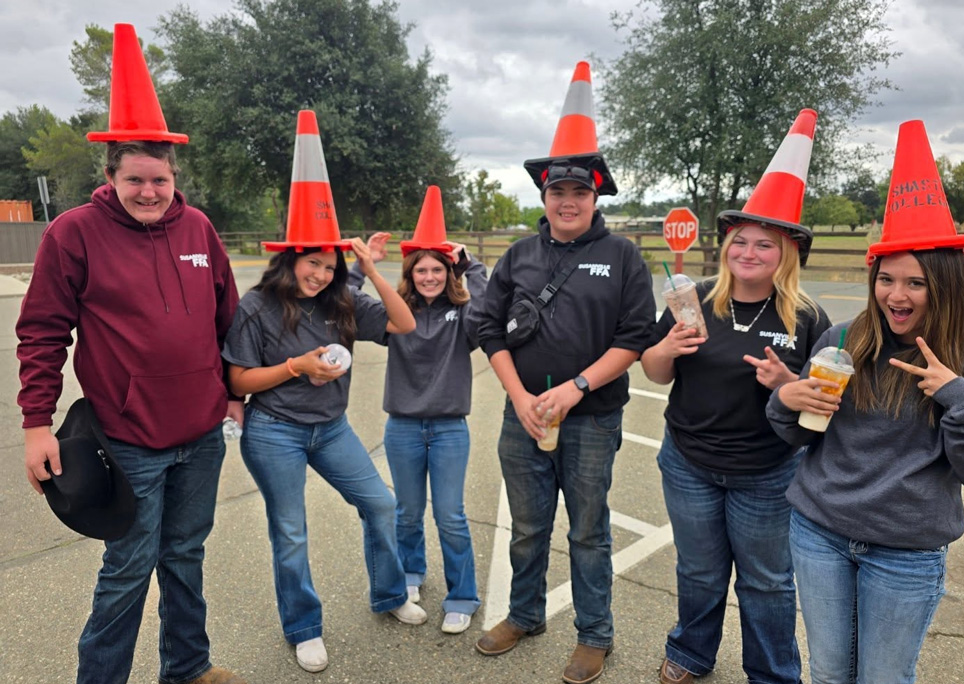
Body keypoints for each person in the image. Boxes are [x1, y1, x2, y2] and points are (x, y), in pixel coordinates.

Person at [16, 24, 245, 684]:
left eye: (160, 180)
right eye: (135, 179)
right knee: (127, 571)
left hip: (202, 436)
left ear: (175, 177)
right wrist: (36, 426)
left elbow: (227, 319)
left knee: (186, 556)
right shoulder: (73, 234)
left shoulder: (198, 228)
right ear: (110, 174)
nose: (149, 192)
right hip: (129, 439)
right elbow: (42, 332)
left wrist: (233, 392)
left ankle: (189, 668)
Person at [766, 120, 964, 684]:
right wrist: (786, 400)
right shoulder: (843, 341)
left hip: (906, 552)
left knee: (884, 678)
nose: (896, 295)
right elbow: (800, 433)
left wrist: (957, 396)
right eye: (886, 279)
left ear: (945, 285)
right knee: (828, 673)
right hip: (820, 533)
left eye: (915, 282)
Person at [222, 109, 422, 675]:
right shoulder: (257, 307)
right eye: (313, 263)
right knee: (290, 531)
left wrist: (371, 270)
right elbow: (238, 381)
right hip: (275, 432)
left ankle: (390, 593)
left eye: (330, 265)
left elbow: (405, 324)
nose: (321, 274)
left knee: (380, 504)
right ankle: (304, 628)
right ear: (290, 260)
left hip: (331, 429)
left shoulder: (343, 299)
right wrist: (296, 367)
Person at [475, 61, 656, 684]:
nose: (568, 201)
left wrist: (577, 389)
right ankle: (525, 615)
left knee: (587, 532)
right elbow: (488, 329)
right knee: (527, 528)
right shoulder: (519, 255)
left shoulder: (622, 255)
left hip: (592, 419)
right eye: (558, 191)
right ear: (544, 197)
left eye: (580, 191)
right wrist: (522, 397)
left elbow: (635, 338)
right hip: (523, 415)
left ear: (595, 196)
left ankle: (594, 634)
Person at [641, 109, 829, 684]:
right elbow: (655, 374)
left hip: (767, 471)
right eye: (739, 241)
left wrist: (787, 386)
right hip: (689, 462)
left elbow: (822, 405)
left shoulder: (806, 318)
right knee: (698, 570)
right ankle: (692, 652)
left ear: (786, 253)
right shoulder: (693, 299)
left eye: (764, 245)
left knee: (766, 582)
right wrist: (667, 346)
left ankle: (772, 673)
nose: (748, 252)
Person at [348, 189, 486, 634]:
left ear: (449, 272)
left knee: (450, 516)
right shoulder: (397, 314)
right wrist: (361, 266)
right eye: (421, 270)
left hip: (449, 429)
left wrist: (472, 266)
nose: (429, 277)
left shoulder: (464, 314)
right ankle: (410, 573)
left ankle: (462, 596)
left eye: (437, 269)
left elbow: (490, 311)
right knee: (406, 512)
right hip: (403, 427)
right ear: (410, 273)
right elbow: (345, 303)